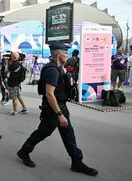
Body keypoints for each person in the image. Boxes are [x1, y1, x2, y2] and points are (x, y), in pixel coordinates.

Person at [17, 42, 98, 176]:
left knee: (69, 135)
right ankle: (24, 151)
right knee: (42, 133)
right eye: (65, 53)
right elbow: (49, 93)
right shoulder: (52, 70)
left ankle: (77, 161)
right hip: (53, 111)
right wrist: (59, 114)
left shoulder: (58, 68)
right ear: (58, 54)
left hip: (61, 108)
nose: (67, 55)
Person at [5, 52, 28, 116]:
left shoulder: (14, 64)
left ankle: (15, 111)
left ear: (15, 57)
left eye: (11, 56)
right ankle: (24, 108)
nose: (10, 57)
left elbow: (6, 71)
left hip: (13, 83)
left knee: (14, 98)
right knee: (18, 95)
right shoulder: (18, 63)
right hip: (17, 83)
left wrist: (7, 63)